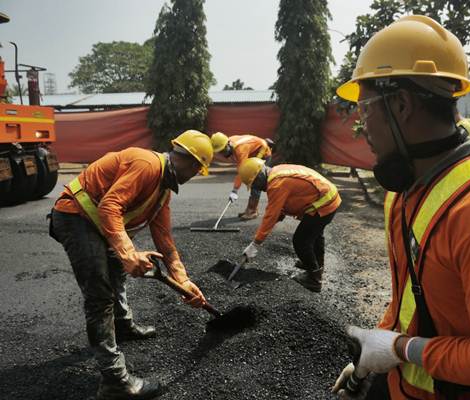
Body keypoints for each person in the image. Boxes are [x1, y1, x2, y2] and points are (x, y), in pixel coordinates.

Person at [331, 16, 470, 400]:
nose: (362, 125)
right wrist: (374, 354)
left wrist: (401, 348)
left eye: (365, 108)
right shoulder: (404, 193)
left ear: (401, 104)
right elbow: (410, 300)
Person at [49, 130, 213, 400]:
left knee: (117, 274)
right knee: (99, 296)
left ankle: (123, 325)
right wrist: (127, 252)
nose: (195, 175)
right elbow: (110, 207)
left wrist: (183, 281)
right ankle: (115, 382)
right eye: (198, 170)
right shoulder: (148, 165)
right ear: (193, 164)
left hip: (98, 224)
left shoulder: (162, 191)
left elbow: (165, 241)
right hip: (75, 216)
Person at [238, 157, 340, 292]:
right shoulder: (276, 172)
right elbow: (283, 204)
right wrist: (279, 214)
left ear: (259, 177)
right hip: (328, 197)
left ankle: (314, 280)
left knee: (301, 240)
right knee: (314, 236)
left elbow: (270, 215)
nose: (258, 189)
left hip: (324, 202)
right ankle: (316, 266)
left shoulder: (276, 184)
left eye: (255, 184)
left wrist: (255, 244)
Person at [210, 132, 272, 220]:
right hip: (253, 154)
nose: (222, 154)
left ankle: (252, 211)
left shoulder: (240, 149)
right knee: (254, 181)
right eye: (220, 152)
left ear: (227, 144)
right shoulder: (230, 142)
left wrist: (235, 190)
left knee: (255, 180)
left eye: (223, 150)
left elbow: (241, 172)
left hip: (263, 153)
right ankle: (251, 209)